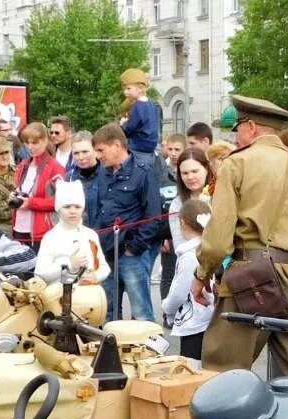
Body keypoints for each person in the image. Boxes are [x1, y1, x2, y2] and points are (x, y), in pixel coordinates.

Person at [195, 95, 288, 381]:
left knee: (223, 375)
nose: (237, 136)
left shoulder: (237, 164)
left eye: (238, 128)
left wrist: (201, 274)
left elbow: (219, 238)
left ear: (251, 127)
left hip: (251, 280)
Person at [89, 123, 164, 321]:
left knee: (141, 313)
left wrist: (135, 247)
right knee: (107, 312)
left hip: (131, 254)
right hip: (105, 253)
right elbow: (98, 210)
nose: (98, 156)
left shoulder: (143, 172)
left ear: (117, 145)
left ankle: (149, 349)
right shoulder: (102, 173)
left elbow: (154, 216)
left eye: (101, 150)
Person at [163, 198, 213, 361]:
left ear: (183, 223)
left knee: (191, 368)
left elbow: (180, 291)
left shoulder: (189, 255)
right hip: (209, 317)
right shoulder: (209, 248)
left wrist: (167, 307)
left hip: (194, 320)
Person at [34, 180, 109, 286]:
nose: (72, 211)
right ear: (59, 209)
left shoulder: (91, 234)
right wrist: (69, 264)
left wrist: (95, 276)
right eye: (67, 207)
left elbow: (104, 267)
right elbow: (40, 274)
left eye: (77, 207)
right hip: (60, 297)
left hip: (91, 296)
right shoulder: (50, 237)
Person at [10, 123, 66, 246]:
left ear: (45, 141)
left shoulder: (55, 168)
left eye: (34, 143)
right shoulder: (23, 165)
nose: (30, 147)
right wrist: (14, 196)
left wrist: (30, 203)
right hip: (19, 227)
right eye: (27, 142)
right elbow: (20, 191)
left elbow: (60, 202)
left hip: (42, 233)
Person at [156, 133, 187, 302]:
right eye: (170, 149)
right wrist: (163, 236)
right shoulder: (160, 171)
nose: (174, 153)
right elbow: (160, 207)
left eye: (177, 149)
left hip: (187, 230)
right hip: (168, 232)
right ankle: (167, 312)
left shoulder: (188, 170)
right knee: (168, 272)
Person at [117, 67, 160, 161]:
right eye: (125, 89)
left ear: (140, 88)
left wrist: (123, 123)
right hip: (152, 143)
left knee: (117, 147)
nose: (125, 92)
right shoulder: (152, 104)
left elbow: (130, 128)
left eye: (128, 88)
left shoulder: (137, 105)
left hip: (139, 143)